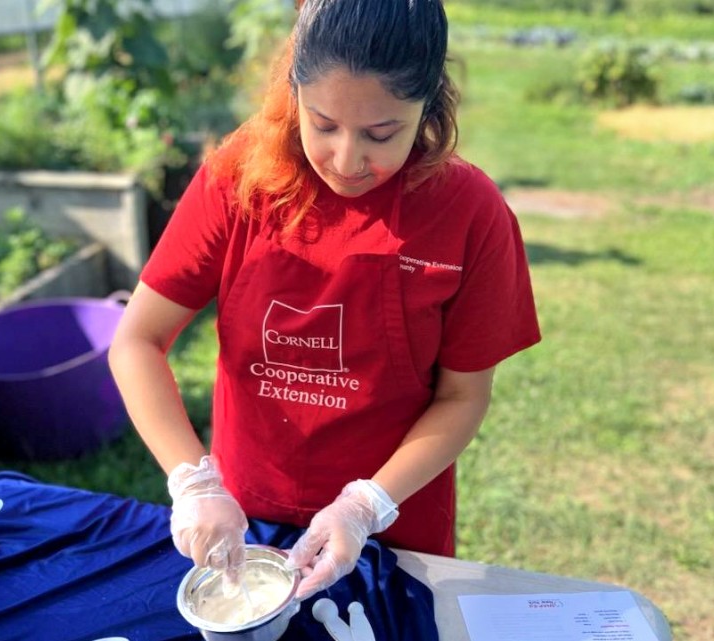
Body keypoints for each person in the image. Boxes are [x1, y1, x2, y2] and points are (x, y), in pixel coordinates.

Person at [109, 0, 540, 600]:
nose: (346, 160)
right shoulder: (240, 178)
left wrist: (365, 506)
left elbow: (463, 397)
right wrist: (193, 482)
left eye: (381, 133)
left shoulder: (469, 213)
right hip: (242, 513)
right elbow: (136, 341)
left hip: (394, 522)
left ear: (430, 103)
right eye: (323, 123)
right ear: (295, 90)